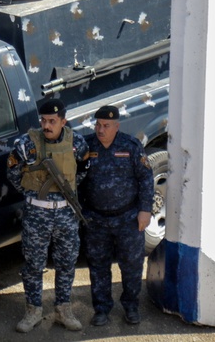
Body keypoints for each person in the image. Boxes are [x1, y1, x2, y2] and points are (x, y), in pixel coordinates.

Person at [5, 99, 89, 333]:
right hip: (36, 214)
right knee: (33, 264)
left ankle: (63, 309)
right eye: (43, 120)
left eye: (52, 121)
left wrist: (65, 193)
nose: (47, 125)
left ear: (63, 121)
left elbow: (83, 169)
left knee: (67, 263)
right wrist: (31, 194)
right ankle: (33, 311)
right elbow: (12, 171)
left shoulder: (77, 143)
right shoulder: (26, 144)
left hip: (66, 213)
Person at [78, 105, 154, 327]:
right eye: (98, 125)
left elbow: (146, 178)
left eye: (106, 125)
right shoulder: (87, 146)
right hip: (95, 219)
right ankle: (101, 309)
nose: (101, 130)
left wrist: (145, 210)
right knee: (98, 266)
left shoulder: (130, 146)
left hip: (128, 218)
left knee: (131, 265)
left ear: (117, 126)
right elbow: (77, 178)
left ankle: (131, 306)